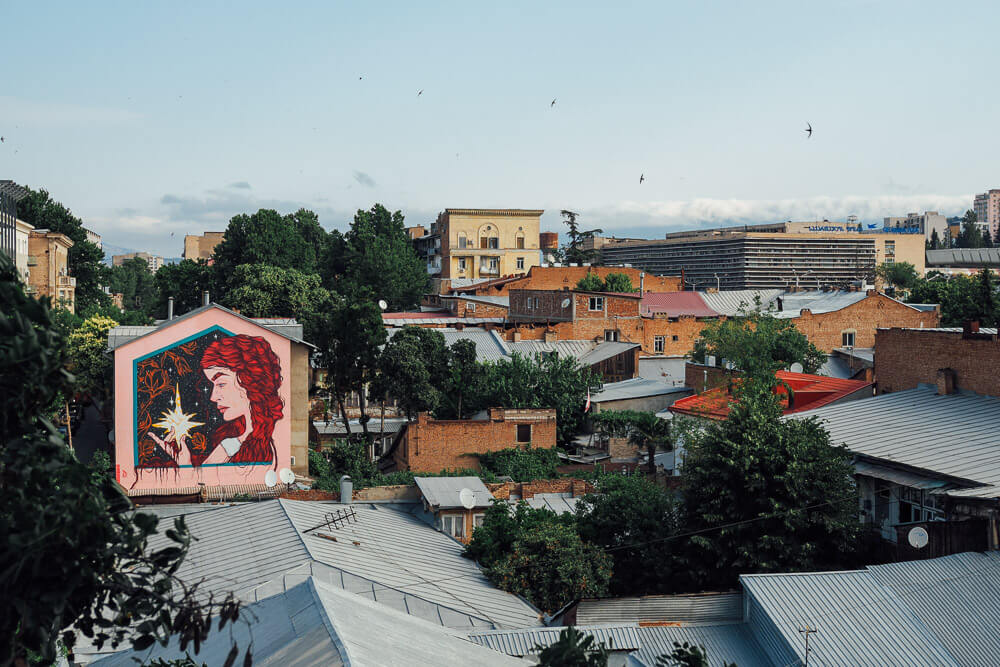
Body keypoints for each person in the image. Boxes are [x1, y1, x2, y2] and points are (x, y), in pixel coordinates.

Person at [149, 334, 283, 468]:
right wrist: (186, 464)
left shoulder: (267, 447)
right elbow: (203, 482)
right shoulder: (230, 444)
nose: (213, 397)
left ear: (249, 381)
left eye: (221, 384)